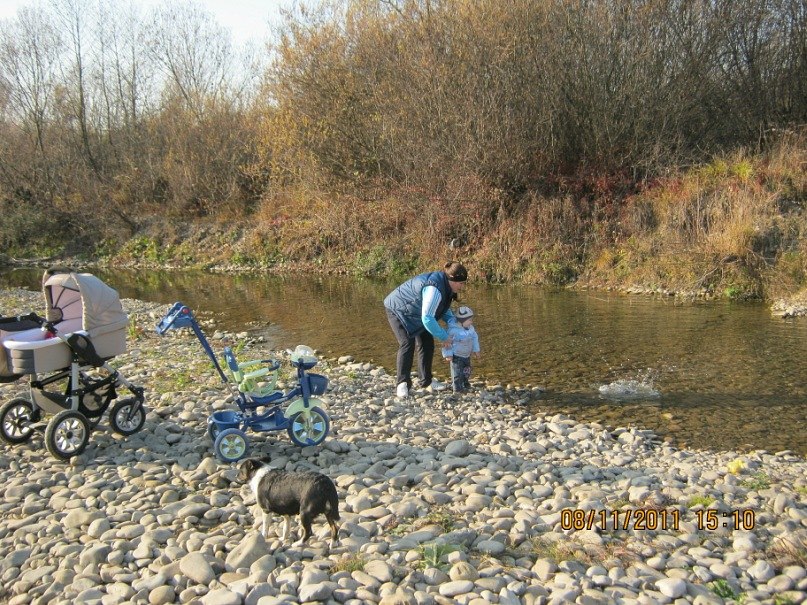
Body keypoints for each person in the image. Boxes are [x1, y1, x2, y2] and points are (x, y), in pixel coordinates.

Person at [384, 261, 468, 398]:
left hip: (416, 312)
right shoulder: (434, 289)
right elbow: (428, 318)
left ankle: (426, 382)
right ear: (452, 280)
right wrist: (443, 336)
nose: (462, 286)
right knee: (407, 343)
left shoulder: (447, 288)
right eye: (461, 283)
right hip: (397, 309)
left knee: (427, 343)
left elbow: (443, 310)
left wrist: (455, 324)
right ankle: (402, 384)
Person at [441, 305, 481, 393]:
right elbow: (447, 344)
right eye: (469, 320)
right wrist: (448, 354)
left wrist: (476, 350)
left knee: (467, 370)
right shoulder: (453, 331)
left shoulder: (471, 329)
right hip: (456, 356)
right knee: (457, 373)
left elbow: (475, 338)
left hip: (467, 355)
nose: (471, 322)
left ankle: (465, 383)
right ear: (461, 321)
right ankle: (457, 388)